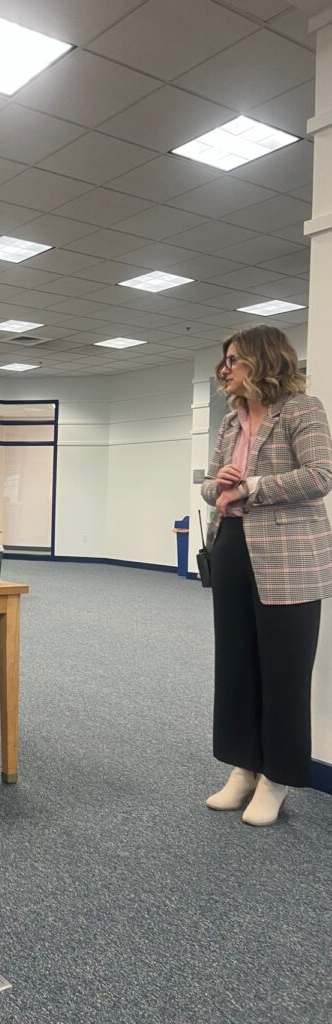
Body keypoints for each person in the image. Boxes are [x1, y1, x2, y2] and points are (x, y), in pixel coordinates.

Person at [201, 325, 332, 826]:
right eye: (224, 360)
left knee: (284, 669)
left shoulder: (302, 410)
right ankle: (244, 767)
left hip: (290, 556)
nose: (225, 369)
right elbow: (210, 487)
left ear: (263, 361)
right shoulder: (230, 423)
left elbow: (320, 476)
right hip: (233, 547)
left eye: (234, 359)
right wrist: (221, 486)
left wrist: (252, 484)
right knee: (235, 664)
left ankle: (276, 778)